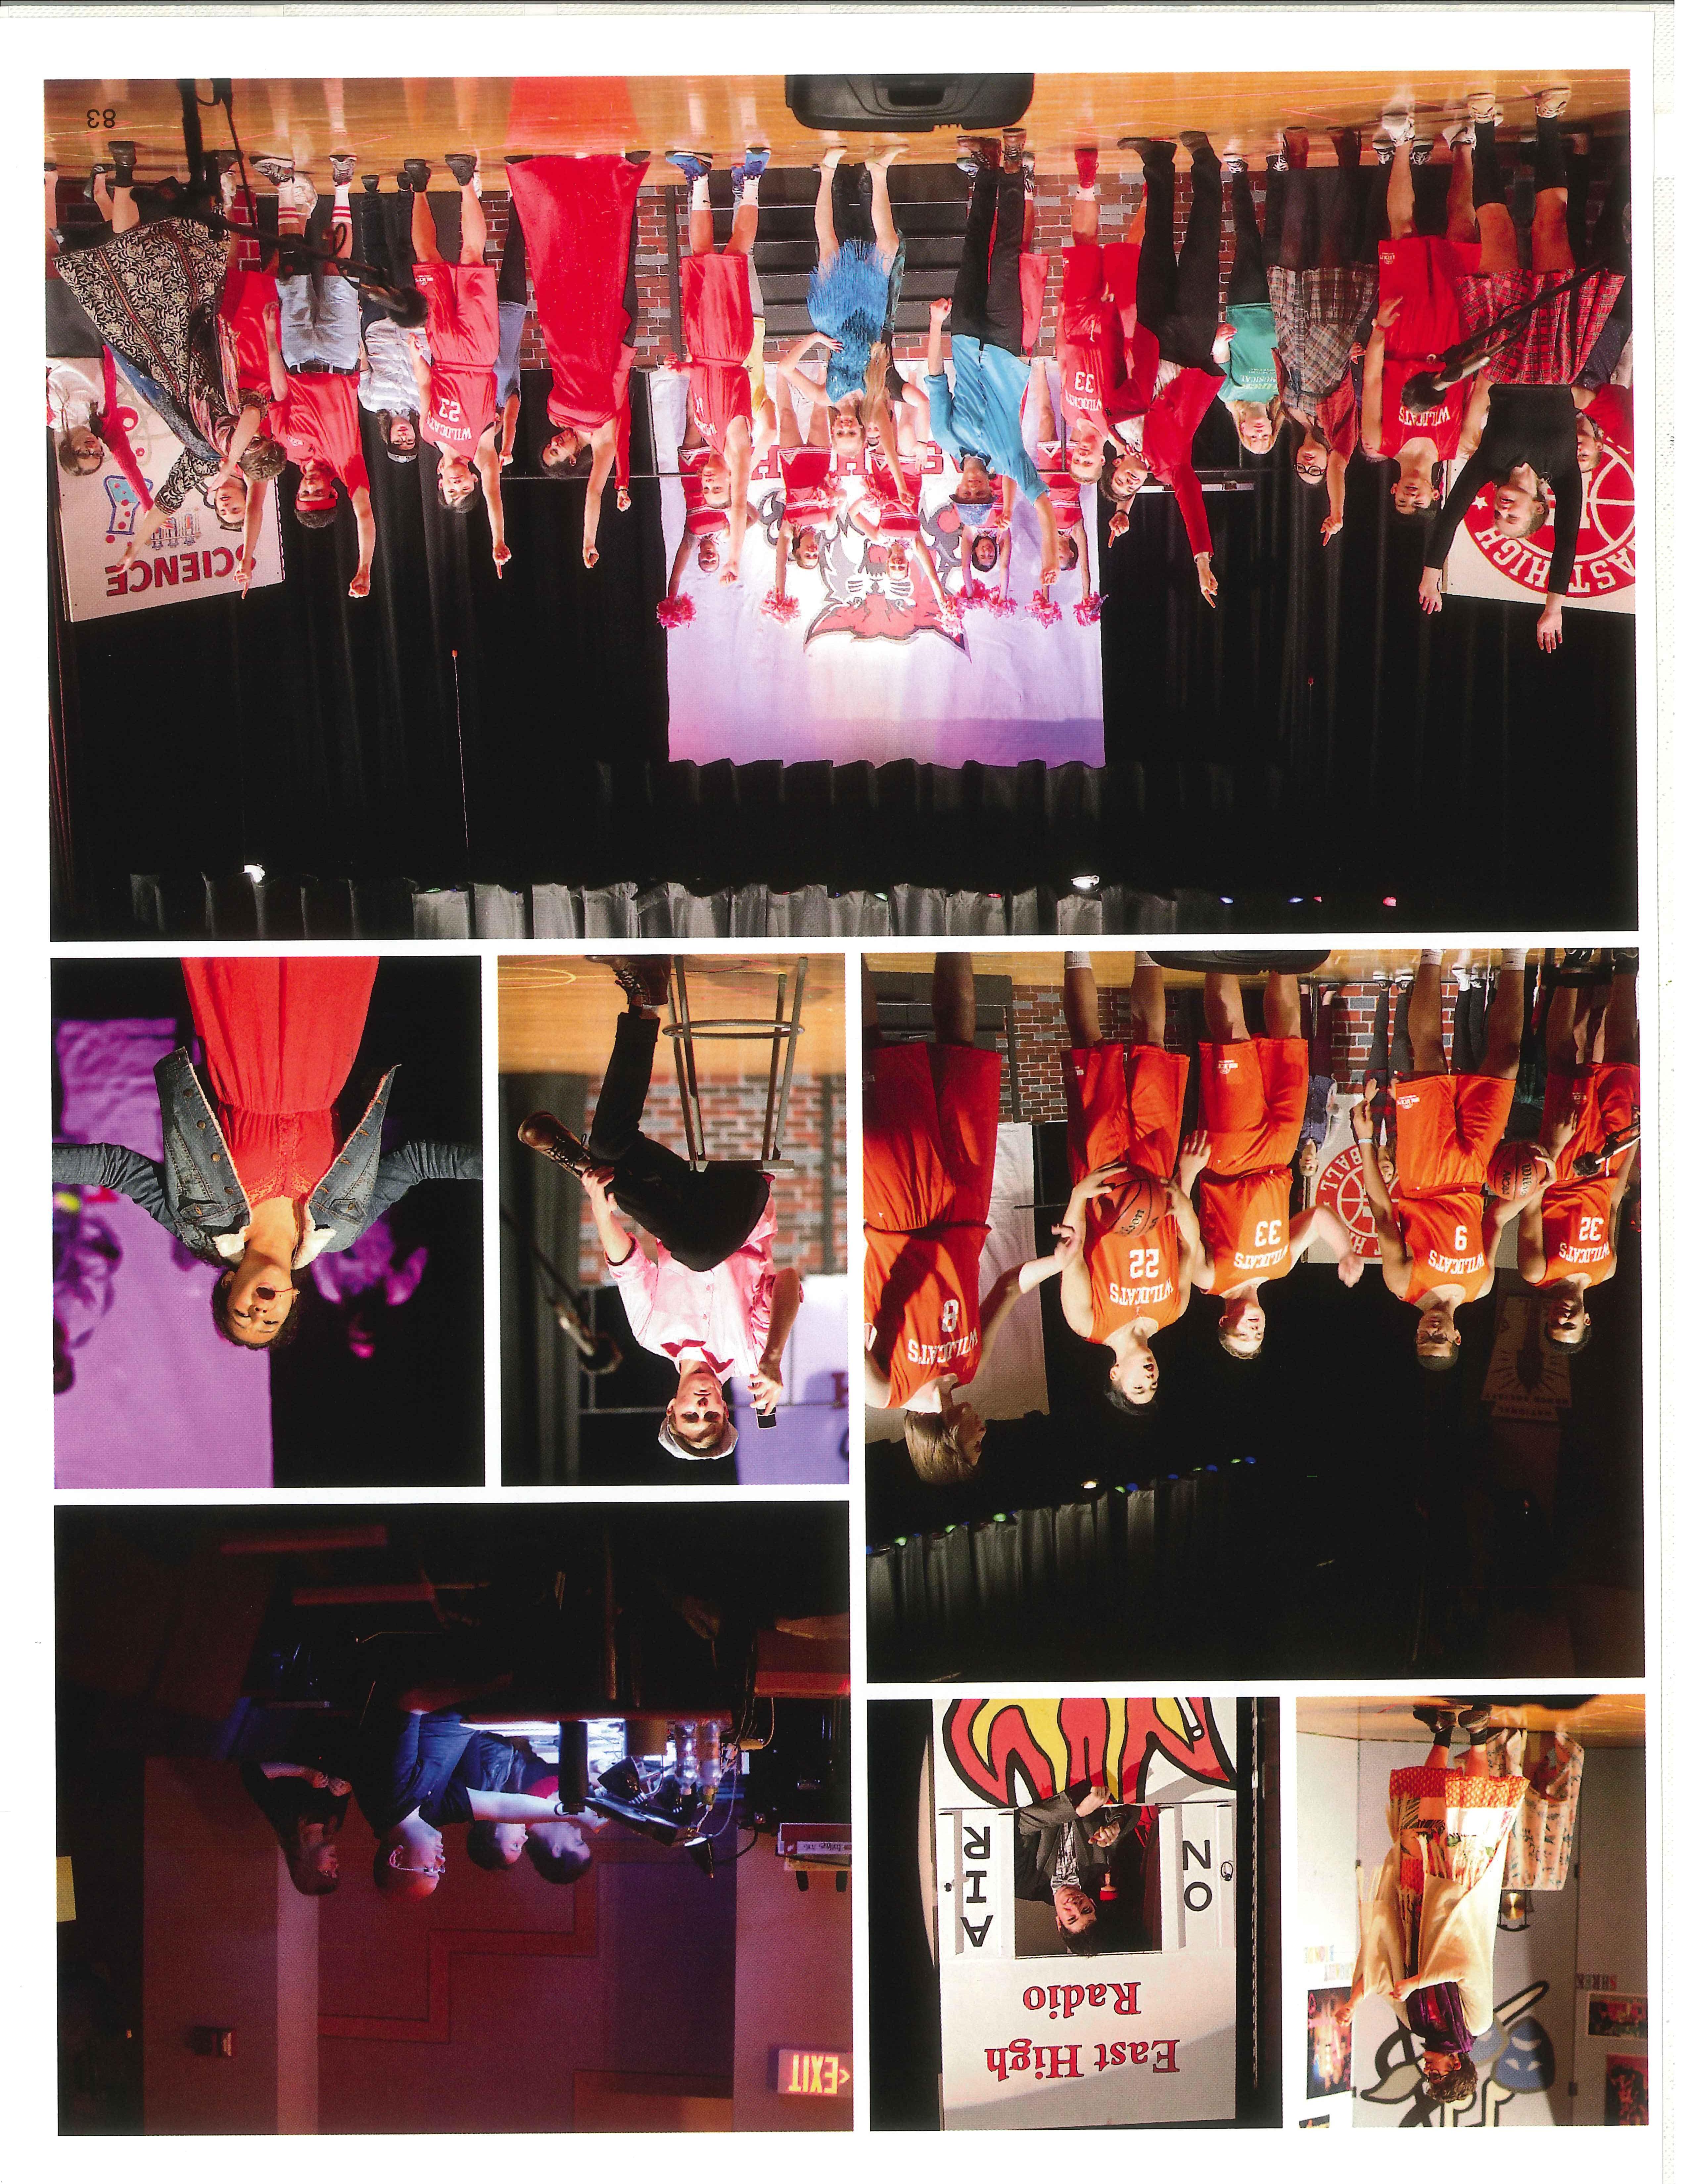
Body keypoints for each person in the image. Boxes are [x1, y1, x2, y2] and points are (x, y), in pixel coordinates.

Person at [48, 957, 482, 1351]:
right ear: (293, 1300)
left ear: (228, 1286)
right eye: (270, 1322)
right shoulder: (340, 1230)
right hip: (326, 1047)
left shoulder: (198, 1226)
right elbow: (416, 1163)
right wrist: (494, 1165)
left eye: (243, 1315)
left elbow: (117, 1168)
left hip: (240, 1042)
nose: (259, 1312)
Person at [517, 958, 802, 1460]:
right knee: (698, 1256)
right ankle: (580, 1163)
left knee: (609, 1145)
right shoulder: (752, 1355)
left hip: (681, 1202)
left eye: (690, 1417)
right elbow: (790, 1282)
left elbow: (626, 1264)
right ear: (726, 1410)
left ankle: (644, 1002)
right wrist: (775, 1357)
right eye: (712, 1417)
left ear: (670, 1409)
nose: (702, 1408)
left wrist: (599, 1202)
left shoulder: (653, 1334)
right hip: (740, 1204)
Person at [1418, 94, 1627, 653]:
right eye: (1512, 518)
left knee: (1498, 230)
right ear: (1540, 508)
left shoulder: (1488, 465)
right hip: (1558, 354)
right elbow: (1566, 548)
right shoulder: (1566, 475)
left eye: (1496, 514)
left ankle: (1485, 128)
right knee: (1550, 224)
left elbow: (1450, 516)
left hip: (1505, 354)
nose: (1500, 509)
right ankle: (1547, 119)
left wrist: (1431, 573)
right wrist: (1552, 608)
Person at [861, 953, 1071, 1481]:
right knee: (963, 1049)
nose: (984, 1436)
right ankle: (952, 937)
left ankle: (854, 949)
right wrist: (1060, 1262)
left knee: (875, 1050)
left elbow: (843, 1328)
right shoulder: (970, 1368)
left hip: (903, 1217)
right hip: (966, 1214)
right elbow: (1008, 1289)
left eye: (975, 1448)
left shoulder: (884, 1392)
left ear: (946, 1447)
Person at [49, 175, 283, 557]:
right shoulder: (245, 410)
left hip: (152, 350)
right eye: (259, 441)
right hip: (190, 325)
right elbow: (252, 419)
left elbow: (166, 504)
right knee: (153, 256)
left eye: (252, 447)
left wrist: (136, 547)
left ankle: (118, 185)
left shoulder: (203, 456)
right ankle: (128, 184)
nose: (253, 439)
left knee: (124, 271)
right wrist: (230, 464)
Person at [1346, 949, 1538, 1367]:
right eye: (1440, 1340)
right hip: (1473, 1177)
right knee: (1506, 1061)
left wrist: (1366, 1141)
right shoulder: (1480, 1287)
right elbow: (1496, 1219)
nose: (1432, 1332)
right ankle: (1515, 956)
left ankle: (1431, 953)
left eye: (1424, 1340)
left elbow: (1382, 1211)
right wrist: (1541, 1185)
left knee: (1429, 1056)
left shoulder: (1402, 1283)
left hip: (1425, 1174)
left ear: (1415, 1335)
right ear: (1457, 1337)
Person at [1336, 1705, 1526, 2108]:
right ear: (1456, 2064)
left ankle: (1441, 1732)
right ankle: (1478, 1735)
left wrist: (1354, 2002)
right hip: (1460, 1901)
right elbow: (1467, 1970)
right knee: (1469, 1820)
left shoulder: (1416, 2021)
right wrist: (1419, 1983)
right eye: (1436, 2073)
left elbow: (1382, 1974)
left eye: (1428, 2076)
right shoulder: (1476, 2023)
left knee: (1423, 1818)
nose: (1427, 2068)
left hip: (1420, 1907)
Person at [1186, 971, 1364, 1355]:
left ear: (1224, 1322)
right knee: (1290, 1042)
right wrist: (1345, 1252)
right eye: (1259, 1337)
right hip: (1280, 1156)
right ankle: (1285, 956)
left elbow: (1180, 1227)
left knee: (1233, 1037)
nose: (1254, 1331)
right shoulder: (1281, 1267)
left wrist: (1187, 1175)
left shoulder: (1208, 1279)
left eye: (1242, 1335)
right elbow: (1317, 1218)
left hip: (1232, 1161)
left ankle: (1221, 952)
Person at [1054, 953, 1203, 1408]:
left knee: (1089, 1044)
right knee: (1152, 1043)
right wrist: (1184, 1190)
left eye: (1138, 1386)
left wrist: (1078, 1196)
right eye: (1153, 1386)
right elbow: (1190, 1246)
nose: (1149, 1379)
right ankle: (1148, 951)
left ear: (1115, 1375)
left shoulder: (1087, 1324)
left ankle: (1077, 949)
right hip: (1155, 1177)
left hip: (1102, 1185)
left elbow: (1072, 1257)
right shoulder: (1175, 1310)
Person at [926, 131, 1060, 590]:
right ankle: (1014, 166)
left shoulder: (945, 436)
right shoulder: (1009, 459)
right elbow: (1042, 504)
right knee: (1005, 258)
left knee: (972, 250)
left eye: (966, 493)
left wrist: (935, 325)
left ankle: (985, 173)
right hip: (1004, 345)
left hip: (965, 337)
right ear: (989, 489)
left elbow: (935, 379)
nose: (974, 487)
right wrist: (1049, 553)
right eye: (980, 493)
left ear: (958, 489)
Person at [504, 150, 650, 565]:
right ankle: (622, 172)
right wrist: (588, 542)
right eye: (556, 452)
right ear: (573, 460)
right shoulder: (602, 443)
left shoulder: (557, 418)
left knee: (559, 258)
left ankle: (536, 177)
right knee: (619, 256)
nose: (552, 443)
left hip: (567, 329)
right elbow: (593, 493)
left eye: (546, 448)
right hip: (611, 338)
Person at [1103, 134, 1229, 600]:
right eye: (1131, 485)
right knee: (1202, 247)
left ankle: (1158, 161)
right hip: (1193, 345)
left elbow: (1111, 359)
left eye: (1122, 478)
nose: (1131, 479)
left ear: (1115, 463)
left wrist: (1110, 313)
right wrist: (1202, 559)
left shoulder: (1114, 417)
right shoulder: (1170, 467)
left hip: (1153, 329)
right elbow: (1191, 503)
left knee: (1156, 241)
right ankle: (1205, 162)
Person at [1360, 102, 1478, 513]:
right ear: (1435, 495)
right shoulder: (1459, 446)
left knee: (1403, 232)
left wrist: (1379, 329)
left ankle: (1403, 143)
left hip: (1403, 339)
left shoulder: (1378, 442)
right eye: (1420, 502)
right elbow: (1480, 388)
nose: (1412, 496)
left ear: (1394, 490)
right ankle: (1464, 147)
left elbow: (1371, 382)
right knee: (1462, 234)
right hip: (1453, 341)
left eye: (1402, 500)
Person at [1516, 953, 1638, 1347]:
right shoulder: (1607, 1269)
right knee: (1622, 1058)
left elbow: (1530, 1206)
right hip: (1608, 1162)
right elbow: (1613, 1205)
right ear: (1587, 1321)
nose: (1562, 1317)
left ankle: (1572, 968)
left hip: (1565, 1167)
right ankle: (1627, 966)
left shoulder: (1537, 1272)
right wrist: (1632, 1146)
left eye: (1554, 1323)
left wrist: (1553, 1150)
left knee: (1563, 1061)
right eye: (1569, 1325)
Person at [352, 1701, 591, 1900]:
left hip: (460, 1691)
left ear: (397, 1857)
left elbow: (409, 1699)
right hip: (476, 1708)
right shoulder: (426, 1816)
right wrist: (573, 1812)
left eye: (430, 1868)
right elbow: (501, 1806)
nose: (442, 1860)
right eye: (440, 1870)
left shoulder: (387, 1795)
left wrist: (486, 1691)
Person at [668, 145, 774, 585]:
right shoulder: (738, 451)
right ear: (730, 481)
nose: (709, 481)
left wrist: (683, 371)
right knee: (735, 253)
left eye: (705, 487)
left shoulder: (707, 433)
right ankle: (753, 179)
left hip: (701, 344)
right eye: (718, 487)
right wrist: (733, 559)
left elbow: (703, 381)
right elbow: (740, 506)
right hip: (729, 343)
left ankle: (698, 178)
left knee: (699, 254)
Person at [1266, 127, 1375, 539]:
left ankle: (1297, 157)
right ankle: (1349, 157)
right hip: (1332, 325)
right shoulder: (1342, 439)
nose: (1308, 463)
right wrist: (1336, 511)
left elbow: (1281, 362)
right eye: (1315, 470)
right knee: (1333, 235)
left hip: (1292, 319)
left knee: (1292, 241)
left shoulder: (1289, 412)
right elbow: (1339, 469)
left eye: (1301, 467)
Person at [403, 153, 510, 571]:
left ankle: (419, 186)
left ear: (440, 483)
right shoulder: (481, 450)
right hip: (479, 354)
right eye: (465, 490)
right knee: (471, 258)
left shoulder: (430, 434)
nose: (458, 485)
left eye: (451, 491)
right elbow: (495, 496)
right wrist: (498, 540)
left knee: (426, 257)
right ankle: (466, 181)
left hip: (443, 352)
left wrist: (416, 357)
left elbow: (425, 386)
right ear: (473, 481)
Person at [808, 145, 905, 443]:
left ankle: (827, 173)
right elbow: (887, 432)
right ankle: (878, 170)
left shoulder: (825, 397)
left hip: (833, 317)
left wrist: (815, 339)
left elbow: (786, 369)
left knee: (828, 243)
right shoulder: (872, 396)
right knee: (889, 245)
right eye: (852, 432)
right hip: (869, 316)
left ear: (833, 429)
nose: (846, 426)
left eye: (840, 432)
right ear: (862, 429)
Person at [1214, 155, 1285, 456]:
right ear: (1271, 427)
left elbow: (1221, 359)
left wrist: (1220, 341)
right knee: (1275, 238)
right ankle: (1277, 172)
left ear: (1242, 430)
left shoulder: (1229, 395)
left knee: (1247, 239)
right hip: (1280, 306)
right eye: (1265, 436)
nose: (1259, 434)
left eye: (1253, 439)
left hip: (1245, 305)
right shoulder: (1281, 395)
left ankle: (1238, 175)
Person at [1013, 1784, 1130, 1958]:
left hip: (1037, 1784)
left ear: (1059, 1923)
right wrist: (1116, 1825)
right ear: (1093, 1903)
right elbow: (1131, 1810)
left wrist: (1077, 1812)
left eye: (1072, 1918)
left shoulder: (1023, 1884)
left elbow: (1017, 1823)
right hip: (1085, 1778)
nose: (1076, 1906)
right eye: (1086, 1910)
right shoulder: (1102, 1863)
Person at [239, 1758, 351, 1896]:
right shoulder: (335, 1823)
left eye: (327, 1872)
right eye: (337, 1872)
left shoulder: (286, 1820)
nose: (335, 1866)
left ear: (307, 1866)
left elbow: (251, 1772)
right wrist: (347, 1786)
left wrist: (302, 1772)